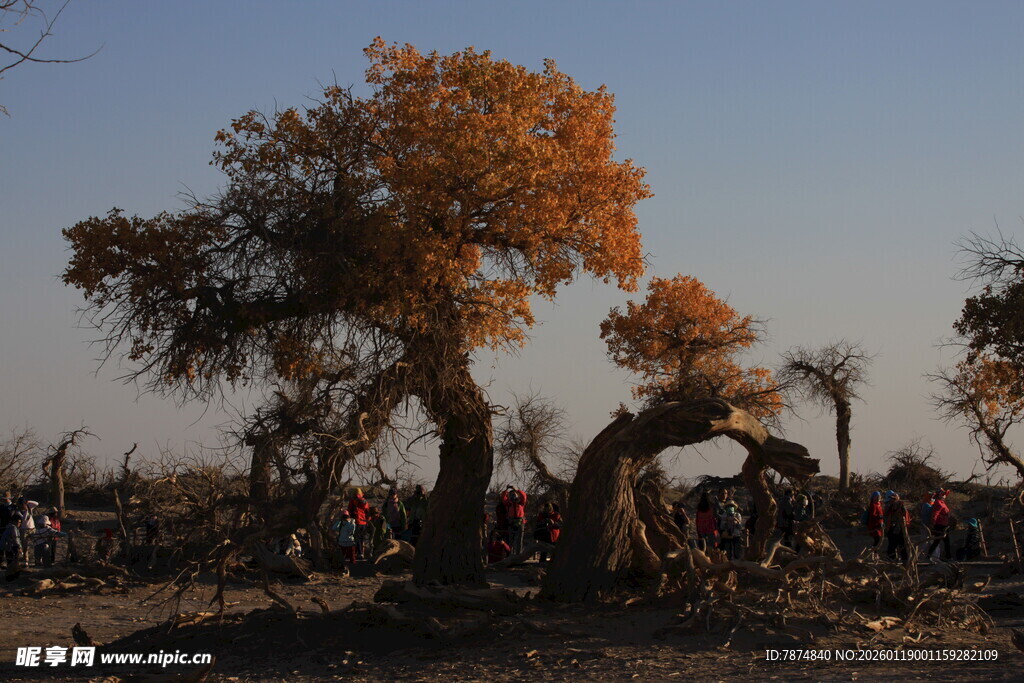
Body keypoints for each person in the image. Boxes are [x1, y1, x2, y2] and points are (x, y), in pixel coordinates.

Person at [927, 489, 953, 561]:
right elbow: (935, 514)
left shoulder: (942, 503)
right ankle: (928, 556)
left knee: (946, 542)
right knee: (937, 541)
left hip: (945, 525)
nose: (945, 496)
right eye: (944, 494)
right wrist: (933, 523)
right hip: (940, 525)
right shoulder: (938, 503)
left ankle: (948, 557)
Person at [885, 492, 912, 563]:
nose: (892, 500)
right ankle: (892, 558)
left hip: (900, 528)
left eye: (893, 499)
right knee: (893, 544)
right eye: (891, 499)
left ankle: (904, 559)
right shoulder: (891, 506)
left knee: (902, 544)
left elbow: (905, 518)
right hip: (893, 528)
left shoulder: (901, 507)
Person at [501, 486, 528, 555]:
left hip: (520, 521)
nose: (513, 496)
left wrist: (516, 490)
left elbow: (524, 496)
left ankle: (518, 554)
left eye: (514, 494)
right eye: (511, 495)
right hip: (511, 521)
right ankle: (510, 554)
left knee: (519, 539)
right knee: (511, 539)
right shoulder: (509, 503)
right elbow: (503, 498)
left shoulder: (521, 502)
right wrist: (506, 490)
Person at [347, 488, 370, 559]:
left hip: (356, 521)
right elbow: (367, 512)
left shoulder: (353, 501)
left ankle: (359, 553)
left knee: (356, 538)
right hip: (364, 522)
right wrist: (368, 520)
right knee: (361, 539)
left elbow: (349, 510)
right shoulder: (365, 501)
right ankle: (361, 553)